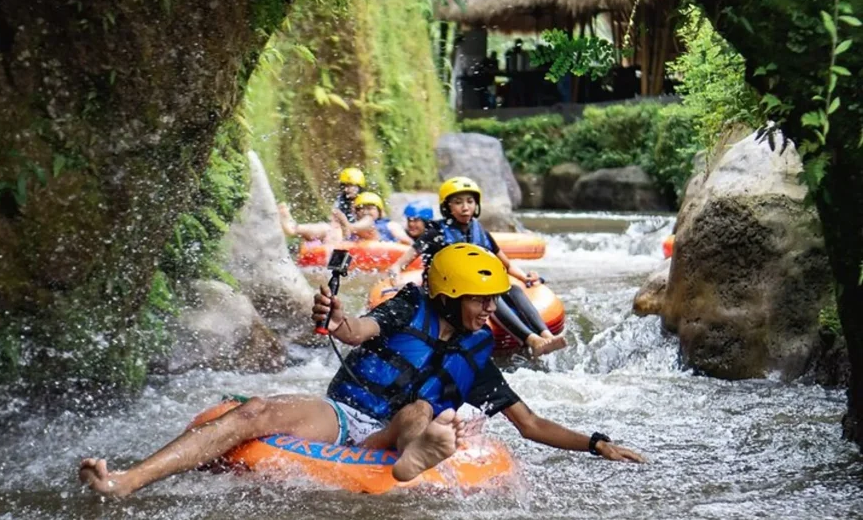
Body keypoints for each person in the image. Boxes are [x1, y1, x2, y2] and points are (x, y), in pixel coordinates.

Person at [78, 245, 644, 498]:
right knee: (253, 412)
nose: (490, 311)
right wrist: (335, 316)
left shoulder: (476, 357)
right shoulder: (405, 307)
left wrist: (597, 443)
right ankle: (125, 481)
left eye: (494, 301)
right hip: (345, 418)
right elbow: (355, 332)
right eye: (481, 300)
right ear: (447, 295)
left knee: (424, 411)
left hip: (400, 432)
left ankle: (413, 458)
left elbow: (534, 425)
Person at [389, 177, 566, 358]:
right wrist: (394, 277)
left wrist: (525, 278)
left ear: (476, 204)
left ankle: (546, 335)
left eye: (470, 201)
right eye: (458, 202)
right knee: (490, 298)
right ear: (447, 206)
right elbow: (400, 264)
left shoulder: (480, 232)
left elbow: (506, 264)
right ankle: (532, 340)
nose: (465, 207)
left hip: (477, 286)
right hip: (450, 293)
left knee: (513, 290)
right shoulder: (435, 233)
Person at [277, 167, 366, 242]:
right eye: (345, 186)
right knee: (326, 228)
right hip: (342, 235)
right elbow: (334, 222)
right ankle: (294, 228)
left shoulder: (367, 203)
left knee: (332, 231)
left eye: (351, 186)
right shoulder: (341, 201)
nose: (347, 189)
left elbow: (367, 225)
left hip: (359, 238)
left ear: (359, 187)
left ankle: (295, 229)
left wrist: (345, 223)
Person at [334, 192, 411, 244]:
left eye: (370, 208)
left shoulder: (391, 225)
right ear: (356, 212)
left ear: (379, 211)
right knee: (332, 229)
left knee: (369, 222)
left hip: (380, 246)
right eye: (361, 209)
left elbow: (405, 240)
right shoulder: (355, 225)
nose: (365, 212)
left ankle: (351, 228)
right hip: (359, 248)